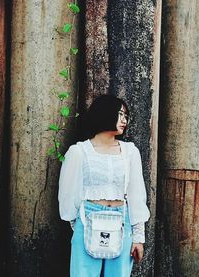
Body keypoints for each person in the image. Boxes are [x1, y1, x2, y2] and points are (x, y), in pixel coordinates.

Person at [58, 95, 150, 276]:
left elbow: (137, 195)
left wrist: (138, 237)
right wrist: (80, 227)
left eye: (126, 116)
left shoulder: (130, 152)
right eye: (120, 114)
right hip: (87, 220)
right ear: (105, 114)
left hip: (123, 223)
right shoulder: (78, 152)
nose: (125, 120)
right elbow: (68, 194)